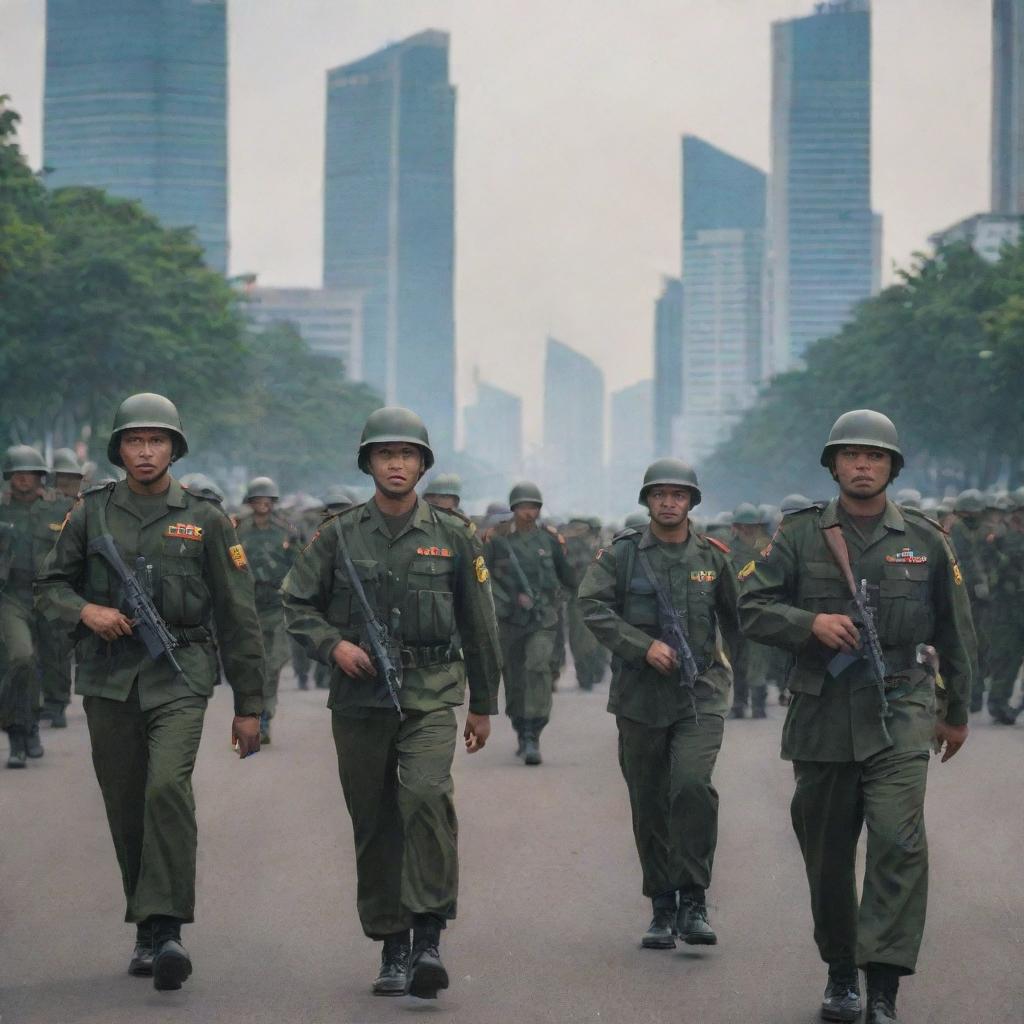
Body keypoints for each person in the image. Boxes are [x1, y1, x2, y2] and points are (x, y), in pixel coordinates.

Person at [737, 409, 974, 1024]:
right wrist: (808, 623)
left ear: (892, 467)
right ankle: (841, 972)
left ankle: (884, 988)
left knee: (899, 841)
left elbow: (956, 630)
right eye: (851, 456)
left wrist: (957, 713)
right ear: (834, 465)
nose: (863, 466)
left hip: (902, 704)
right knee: (827, 852)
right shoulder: (797, 535)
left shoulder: (925, 538)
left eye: (875, 457)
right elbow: (749, 605)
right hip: (823, 710)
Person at [34, 392, 265, 992]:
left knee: (167, 787)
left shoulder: (208, 518)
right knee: (126, 802)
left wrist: (250, 707)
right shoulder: (90, 514)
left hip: (182, 674)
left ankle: (167, 930)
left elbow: (239, 616)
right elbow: (49, 587)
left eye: (156, 441)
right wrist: (87, 611)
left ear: (174, 448)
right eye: (135, 441)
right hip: (110, 678)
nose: (145, 451)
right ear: (119, 449)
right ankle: (146, 922)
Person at [281, 406, 501, 1000]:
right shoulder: (338, 533)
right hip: (359, 696)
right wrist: (334, 646)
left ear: (423, 465)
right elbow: (296, 605)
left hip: (429, 692)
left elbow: (479, 625)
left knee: (426, 797)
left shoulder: (454, 535)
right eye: (385, 454)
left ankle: (428, 934)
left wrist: (483, 703)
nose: (396, 463)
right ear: (368, 463)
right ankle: (391, 943)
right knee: (374, 819)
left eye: (407, 454)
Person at [578, 458, 738, 950]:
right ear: (647, 500)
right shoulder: (622, 555)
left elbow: (741, 617)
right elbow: (590, 605)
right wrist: (639, 646)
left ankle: (694, 899)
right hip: (640, 698)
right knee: (648, 801)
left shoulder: (712, 558)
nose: (669, 502)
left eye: (678, 494)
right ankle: (662, 905)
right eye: (660, 494)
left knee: (691, 785)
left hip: (700, 695)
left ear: (692, 502)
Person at [484, 481, 576, 764]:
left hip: (542, 619)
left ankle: (533, 732)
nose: (529, 512)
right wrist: (511, 600)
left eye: (534, 507)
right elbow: (484, 578)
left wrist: (571, 600)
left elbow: (567, 577)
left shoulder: (549, 540)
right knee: (514, 676)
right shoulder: (498, 541)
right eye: (524, 506)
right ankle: (520, 726)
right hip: (510, 620)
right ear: (513, 508)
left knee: (537, 669)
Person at [0, 445, 73, 763]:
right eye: (18, 474)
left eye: (30, 473)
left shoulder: (59, 509)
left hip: (49, 594)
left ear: (41, 477)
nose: (24, 479)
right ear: (8, 478)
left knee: (53, 656)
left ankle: (31, 725)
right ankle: (18, 734)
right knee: (21, 659)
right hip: (11, 597)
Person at [235, 476, 297, 743]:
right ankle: (251, 716)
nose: (263, 504)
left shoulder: (286, 530)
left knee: (273, 664)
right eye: (258, 500)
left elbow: (298, 565)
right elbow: (233, 560)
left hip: (277, 605)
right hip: (248, 605)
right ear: (250, 502)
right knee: (251, 665)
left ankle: (265, 718)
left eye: (267, 500)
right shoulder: (239, 530)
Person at [728, 502, 788, 717]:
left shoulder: (767, 547)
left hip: (761, 611)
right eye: (743, 525)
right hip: (734, 611)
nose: (747, 529)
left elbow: (779, 576)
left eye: (751, 525)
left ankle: (759, 706)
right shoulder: (727, 547)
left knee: (758, 661)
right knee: (737, 661)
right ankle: (738, 704)